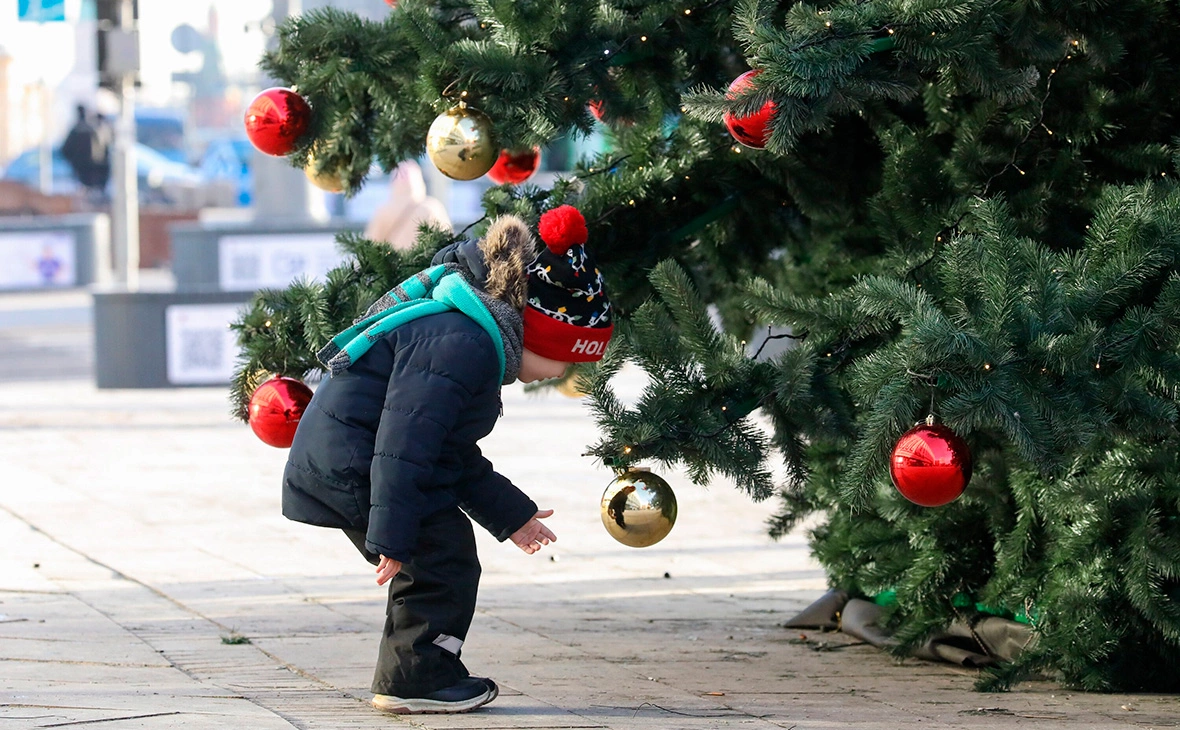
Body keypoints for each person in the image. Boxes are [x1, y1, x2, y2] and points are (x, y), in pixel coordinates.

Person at [282, 204, 613, 715]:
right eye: (565, 357)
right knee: (440, 556)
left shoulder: (470, 337)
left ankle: (414, 673)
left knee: (439, 554)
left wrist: (512, 515)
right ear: (536, 331)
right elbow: (406, 444)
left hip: (362, 458)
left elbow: (447, 452)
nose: (563, 371)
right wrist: (391, 536)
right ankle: (417, 678)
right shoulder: (462, 344)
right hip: (357, 464)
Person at [363, 160, 451, 249]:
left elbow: (371, 245)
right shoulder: (433, 207)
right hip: (427, 261)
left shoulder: (384, 210)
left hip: (395, 261)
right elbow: (446, 240)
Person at [60, 105, 111, 192]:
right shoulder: (99, 130)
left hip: (86, 168)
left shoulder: (79, 130)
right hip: (94, 168)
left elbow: (66, 150)